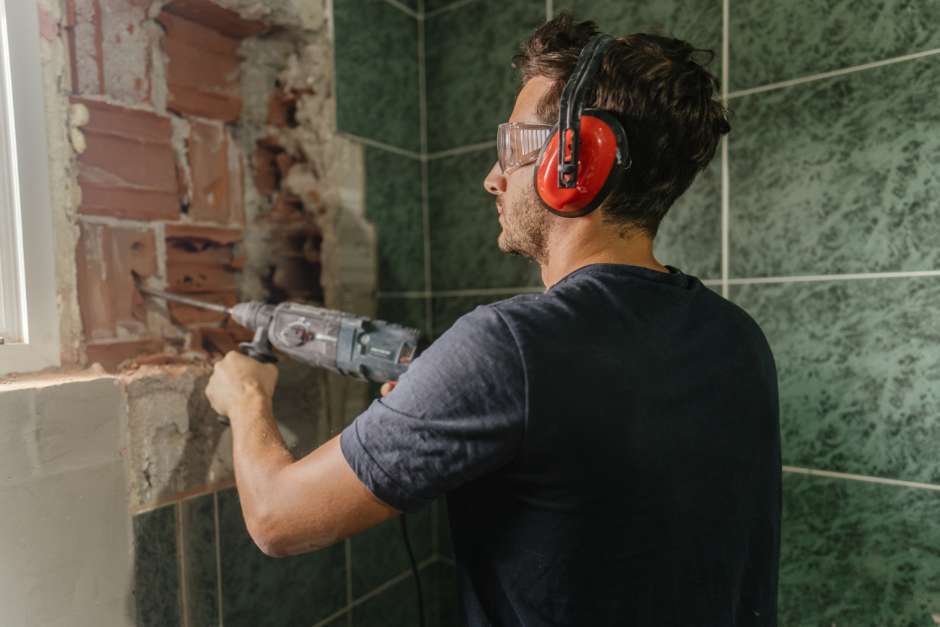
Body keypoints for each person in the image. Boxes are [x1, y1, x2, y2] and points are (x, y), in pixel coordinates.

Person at [206, 12, 781, 626]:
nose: (493, 178)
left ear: (574, 163)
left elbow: (277, 520)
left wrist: (246, 399)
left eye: (511, 147)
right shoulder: (736, 334)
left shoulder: (509, 346)